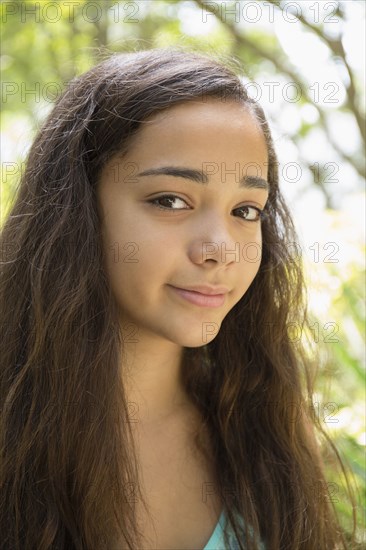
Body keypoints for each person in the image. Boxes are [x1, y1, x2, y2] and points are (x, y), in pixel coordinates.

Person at [0, 47, 355, 550]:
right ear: (76, 210)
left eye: (247, 210)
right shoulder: (13, 430)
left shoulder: (266, 422)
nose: (220, 249)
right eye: (171, 201)